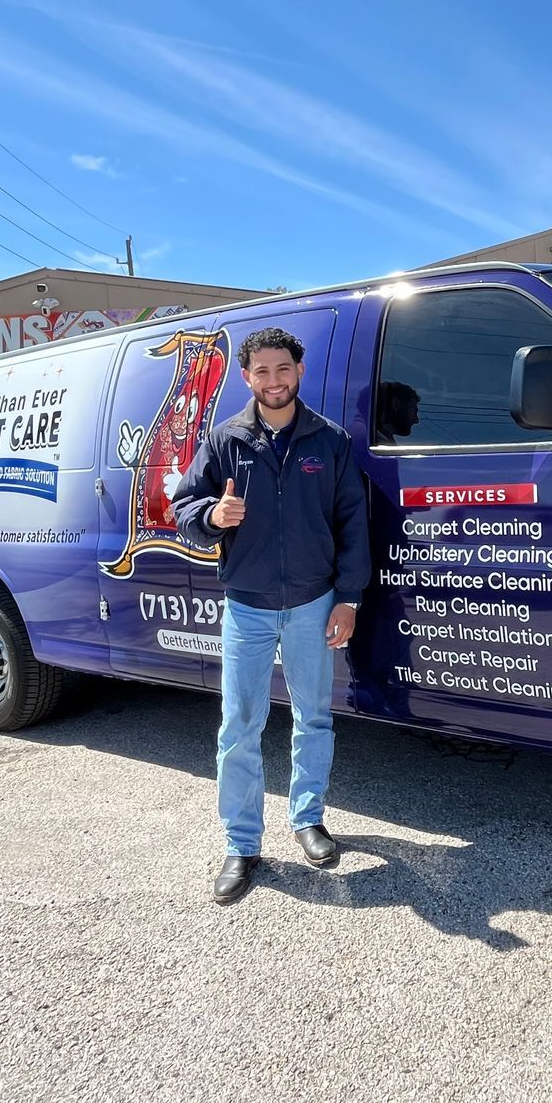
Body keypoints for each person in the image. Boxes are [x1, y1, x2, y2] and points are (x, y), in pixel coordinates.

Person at [172, 326, 370, 904]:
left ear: (299, 370)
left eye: (283, 369)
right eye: (262, 372)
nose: (274, 381)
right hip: (248, 609)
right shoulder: (225, 440)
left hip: (313, 605)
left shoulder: (329, 443)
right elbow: (184, 506)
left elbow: (353, 526)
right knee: (240, 729)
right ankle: (241, 844)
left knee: (314, 719)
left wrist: (348, 599)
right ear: (246, 377)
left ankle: (308, 819)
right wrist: (214, 514)